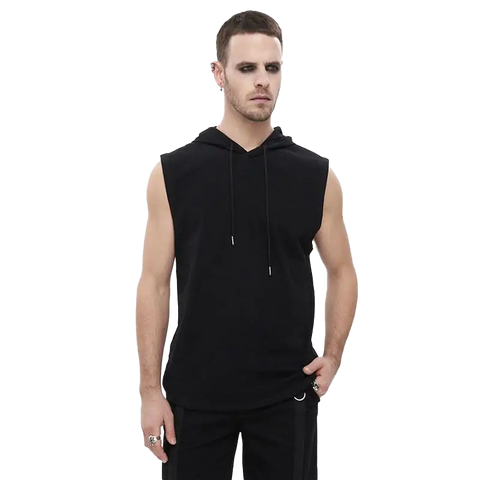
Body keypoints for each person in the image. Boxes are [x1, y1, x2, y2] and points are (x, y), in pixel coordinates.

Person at [135, 8, 359, 479]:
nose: (262, 81)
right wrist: (150, 391)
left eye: (272, 68)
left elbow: (342, 270)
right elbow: (153, 283)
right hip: (195, 392)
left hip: (286, 392)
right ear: (217, 73)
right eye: (246, 68)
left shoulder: (316, 175)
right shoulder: (173, 172)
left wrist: (334, 353)